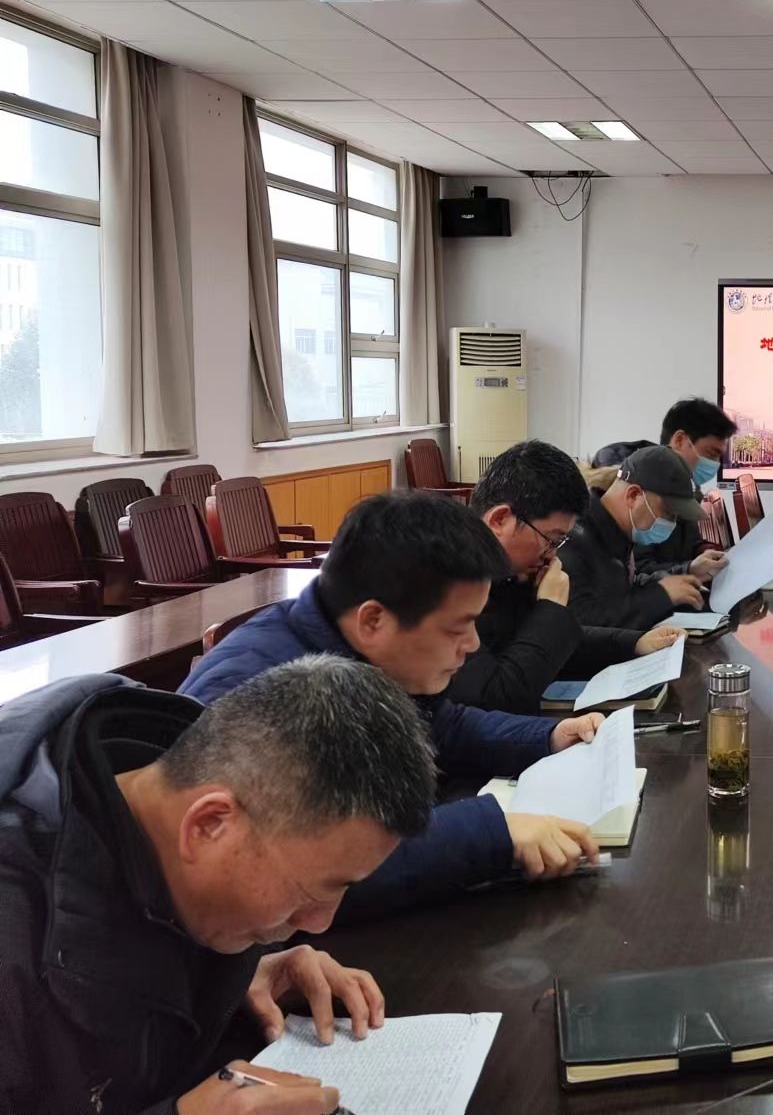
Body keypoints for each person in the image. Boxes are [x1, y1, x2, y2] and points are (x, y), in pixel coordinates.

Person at [0, 657, 439, 1115]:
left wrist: (226, 980)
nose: (319, 923)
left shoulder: (180, 793)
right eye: (312, 892)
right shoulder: (12, 941)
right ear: (209, 824)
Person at [180, 492, 606, 919]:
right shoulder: (253, 694)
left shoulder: (365, 647)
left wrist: (547, 736)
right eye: (457, 628)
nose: (473, 644)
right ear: (373, 621)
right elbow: (298, 861)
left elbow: (441, 725)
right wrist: (494, 834)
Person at [447, 439, 684, 714]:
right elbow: (498, 699)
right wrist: (550, 610)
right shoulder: (448, 582)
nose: (553, 555)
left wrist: (635, 643)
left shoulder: (508, 574)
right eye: (551, 539)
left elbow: (550, 647)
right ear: (500, 520)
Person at [561, 444, 708, 630]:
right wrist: (660, 596)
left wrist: (683, 574)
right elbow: (579, 623)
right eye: (669, 513)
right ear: (634, 495)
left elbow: (622, 589)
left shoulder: (616, 534)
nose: (671, 523)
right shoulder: (572, 537)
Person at [634, 397, 738, 583]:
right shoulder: (643, 493)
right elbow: (638, 571)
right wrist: (689, 569)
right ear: (680, 440)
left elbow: (690, 542)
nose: (715, 464)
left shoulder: (687, 489)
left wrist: (705, 551)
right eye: (711, 453)